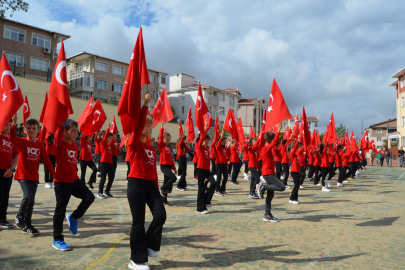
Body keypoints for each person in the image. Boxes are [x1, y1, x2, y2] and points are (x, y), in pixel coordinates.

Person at [126, 92, 166, 270]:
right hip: (136, 184)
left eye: (151, 125)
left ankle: (150, 245)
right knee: (138, 222)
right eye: (148, 125)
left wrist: (156, 189)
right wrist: (146, 104)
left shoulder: (150, 147)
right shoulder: (133, 144)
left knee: (160, 215)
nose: (150, 128)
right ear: (141, 127)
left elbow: (154, 172)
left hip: (151, 186)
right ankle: (136, 260)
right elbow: (139, 125)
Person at [52, 119, 95, 251]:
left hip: (74, 180)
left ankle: (74, 216)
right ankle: (57, 240)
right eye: (73, 131)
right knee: (60, 210)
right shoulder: (59, 143)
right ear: (64, 132)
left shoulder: (75, 146)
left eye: (77, 131)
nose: (76, 133)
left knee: (89, 197)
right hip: (61, 182)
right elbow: (57, 129)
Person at [10, 116, 56, 235]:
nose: (31, 130)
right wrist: (14, 123)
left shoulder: (40, 144)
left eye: (33, 128)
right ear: (25, 130)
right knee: (28, 196)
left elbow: (46, 161)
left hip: (34, 177)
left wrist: (54, 175)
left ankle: (28, 226)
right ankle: (19, 215)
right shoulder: (22, 141)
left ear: (38, 130)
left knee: (31, 202)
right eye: (28, 128)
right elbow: (11, 138)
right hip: (23, 175)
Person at [256, 123, 285, 222]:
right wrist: (279, 131)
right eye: (274, 142)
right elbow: (275, 141)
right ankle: (263, 187)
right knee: (282, 187)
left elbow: (279, 157)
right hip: (268, 174)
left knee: (270, 196)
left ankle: (267, 215)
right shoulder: (265, 148)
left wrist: (277, 149)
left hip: (270, 173)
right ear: (272, 141)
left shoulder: (270, 149)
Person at [0, 118, 19, 229]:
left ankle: (3, 219)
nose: (8, 127)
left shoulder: (11, 140)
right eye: (5, 125)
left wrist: (12, 168)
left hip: (8, 171)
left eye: (9, 125)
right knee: (0, 196)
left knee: (5, 196)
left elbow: (16, 155)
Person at [196, 119, 216, 214]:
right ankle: (200, 208)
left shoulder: (207, 147)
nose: (207, 144)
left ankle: (207, 200)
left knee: (214, 183)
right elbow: (201, 138)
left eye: (208, 143)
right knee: (201, 188)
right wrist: (205, 128)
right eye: (206, 142)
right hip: (200, 169)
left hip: (207, 170)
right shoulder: (198, 146)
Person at [158, 123, 178, 206]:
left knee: (166, 181)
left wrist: (174, 168)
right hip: (164, 166)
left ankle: (164, 200)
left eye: (169, 140)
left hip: (169, 166)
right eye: (166, 140)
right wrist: (161, 128)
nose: (168, 141)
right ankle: (162, 189)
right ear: (163, 139)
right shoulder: (161, 146)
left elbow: (171, 159)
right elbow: (160, 139)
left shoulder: (168, 147)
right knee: (173, 178)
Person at [98, 125, 115, 198]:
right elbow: (105, 138)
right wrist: (108, 128)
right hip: (104, 163)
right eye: (109, 138)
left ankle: (107, 191)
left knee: (111, 178)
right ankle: (100, 192)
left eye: (111, 138)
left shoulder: (109, 145)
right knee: (103, 179)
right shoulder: (103, 143)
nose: (111, 139)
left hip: (110, 164)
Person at [288, 135, 301, 204]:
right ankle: (292, 198)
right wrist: (298, 140)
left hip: (296, 171)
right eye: (297, 147)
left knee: (297, 185)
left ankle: (295, 198)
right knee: (296, 185)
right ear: (293, 147)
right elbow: (295, 147)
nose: (298, 148)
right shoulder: (291, 153)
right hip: (294, 171)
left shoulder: (295, 154)